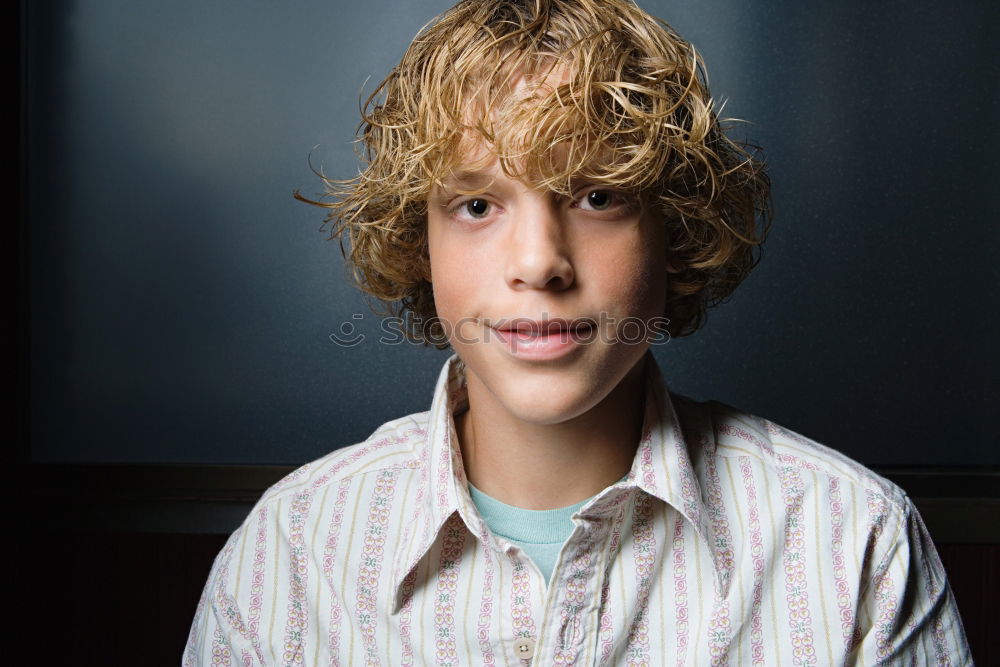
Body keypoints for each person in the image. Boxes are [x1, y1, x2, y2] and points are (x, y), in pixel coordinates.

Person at [185, 0, 970, 664]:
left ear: (675, 230)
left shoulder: (854, 543)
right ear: (419, 243)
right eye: (477, 205)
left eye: (598, 195)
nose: (540, 263)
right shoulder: (290, 555)